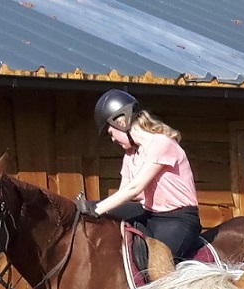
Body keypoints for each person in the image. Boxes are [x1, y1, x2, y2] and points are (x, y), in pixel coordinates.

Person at [85, 88, 205, 272]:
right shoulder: (130, 155)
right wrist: (89, 208)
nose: (112, 139)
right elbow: (123, 193)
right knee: (104, 215)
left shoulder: (161, 143)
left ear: (122, 122)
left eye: (111, 133)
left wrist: (97, 209)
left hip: (178, 219)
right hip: (150, 214)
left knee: (155, 269)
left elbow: (135, 188)